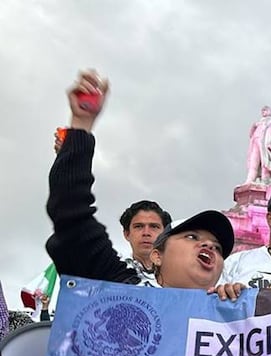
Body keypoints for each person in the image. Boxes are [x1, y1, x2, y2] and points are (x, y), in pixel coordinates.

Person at [46, 70, 238, 297]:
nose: (208, 247)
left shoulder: (234, 316)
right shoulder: (122, 287)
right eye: (192, 237)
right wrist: (81, 125)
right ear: (158, 255)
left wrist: (246, 310)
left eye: (217, 247)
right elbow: (71, 214)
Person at [119, 200, 172, 286]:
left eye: (154, 226)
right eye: (138, 226)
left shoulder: (181, 274)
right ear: (127, 234)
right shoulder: (112, 271)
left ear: (165, 234)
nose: (146, 233)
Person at [244, 106, 271, 185]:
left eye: (265, 110)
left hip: (265, 144)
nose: (263, 111)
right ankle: (250, 180)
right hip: (256, 142)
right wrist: (253, 127)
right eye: (263, 110)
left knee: (265, 163)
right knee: (253, 162)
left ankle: (265, 181)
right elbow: (251, 135)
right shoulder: (259, 123)